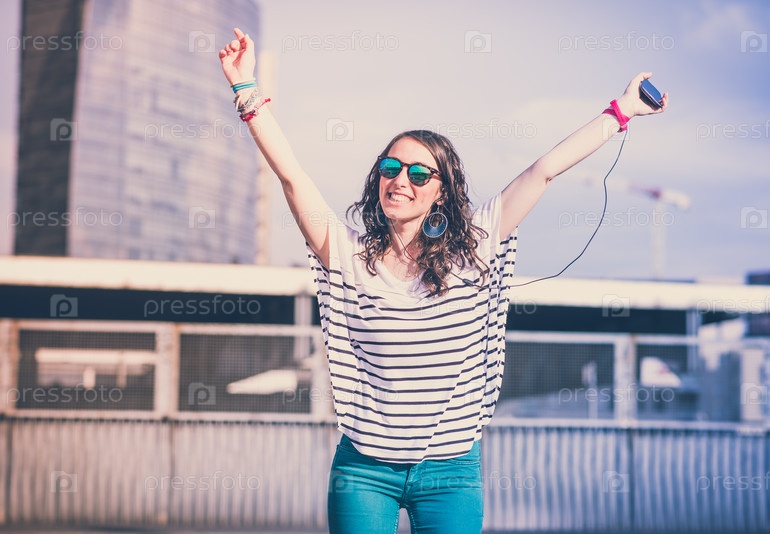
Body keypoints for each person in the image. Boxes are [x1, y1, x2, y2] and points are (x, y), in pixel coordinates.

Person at [219, 27, 667, 534]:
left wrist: (621, 111)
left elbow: (543, 170)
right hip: (364, 470)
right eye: (391, 167)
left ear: (441, 192)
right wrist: (245, 89)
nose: (400, 180)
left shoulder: (475, 249)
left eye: (418, 174)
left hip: (450, 473)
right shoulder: (345, 255)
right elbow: (292, 177)